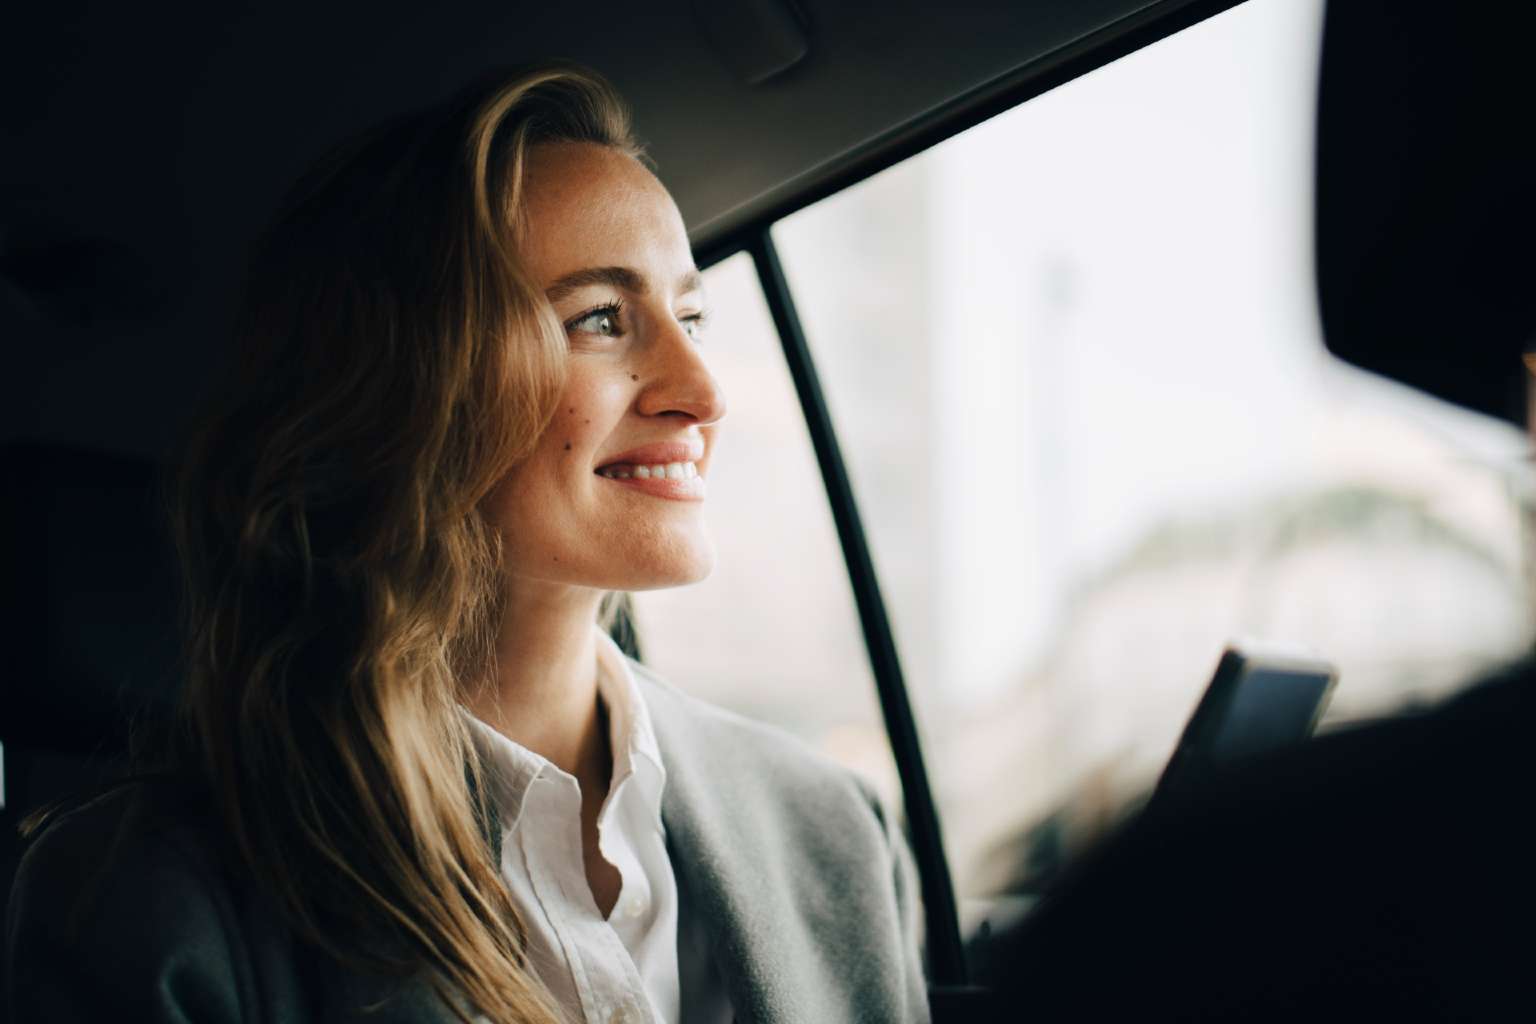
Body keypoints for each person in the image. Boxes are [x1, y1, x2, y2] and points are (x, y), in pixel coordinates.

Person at [4, 64, 928, 1024]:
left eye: (690, 316)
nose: (703, 390)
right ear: (402, 397)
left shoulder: (836, 833)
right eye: (601, 320)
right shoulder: (151, 901)